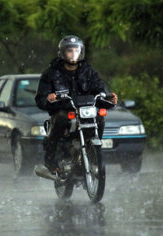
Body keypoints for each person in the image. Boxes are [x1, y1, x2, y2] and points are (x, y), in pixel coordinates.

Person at [35, 35, 118, 173]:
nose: (73, 54)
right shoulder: (51, 73)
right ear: (62, 52)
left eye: (76, 50)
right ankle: (51, 160)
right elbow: (40, 99)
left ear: (81, 52)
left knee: (99, 119)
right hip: (64, 110)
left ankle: (93, 152)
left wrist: (109, 99)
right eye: (70, 51)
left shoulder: (88, 71)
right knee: (61, 119)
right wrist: (49, 98)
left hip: (85, 110)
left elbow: (98, 89)